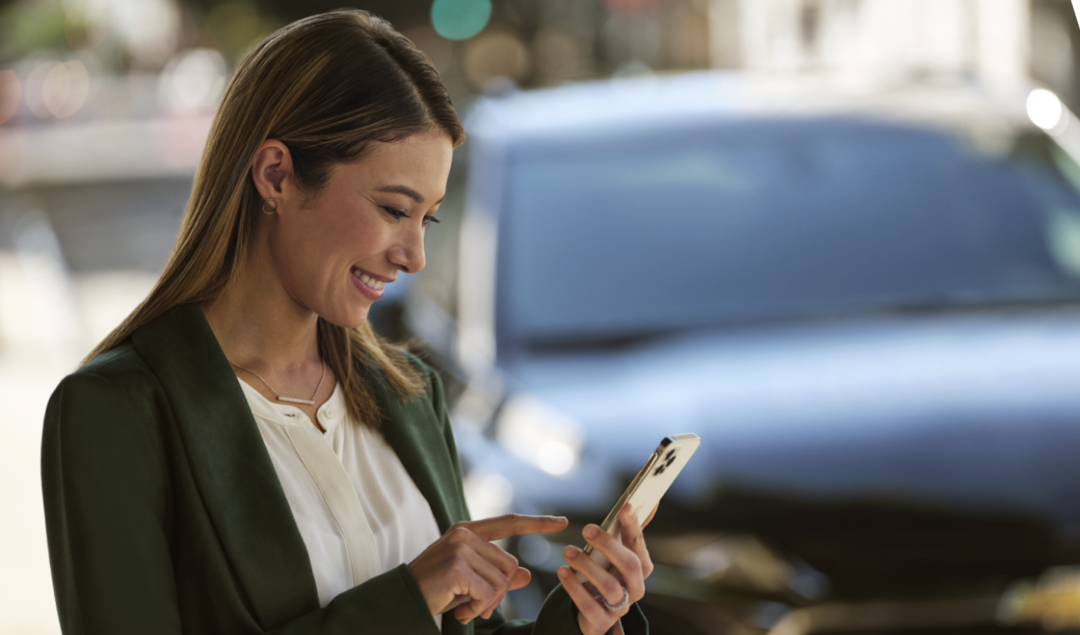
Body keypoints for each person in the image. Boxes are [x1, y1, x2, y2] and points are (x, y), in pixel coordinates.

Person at [41, 10, 651, 635]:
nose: (414, 256)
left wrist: (580, 623)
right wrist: (408, 599)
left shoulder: (410, 396)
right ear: (275, 175)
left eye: (428, 219)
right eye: (393, 209)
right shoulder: (114, 413)